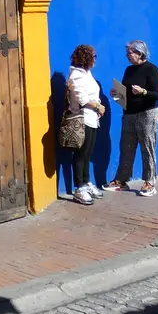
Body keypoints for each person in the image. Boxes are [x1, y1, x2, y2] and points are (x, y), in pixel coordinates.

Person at [103, 40, 158, 197]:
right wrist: (117, 94)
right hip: (129, 113)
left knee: (147, 147)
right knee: (126, 147)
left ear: (140, 53)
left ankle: (149, 182)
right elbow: (126, 93)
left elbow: (157, 94)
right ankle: (121, 180)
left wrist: (143, 92)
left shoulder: (151, 69)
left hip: (147, 113)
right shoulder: (129, 70)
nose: (128, 56)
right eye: (127, 54)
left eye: (130, 53)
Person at [66, 44, 105, 206]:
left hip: (92, 119)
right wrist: (98, 106)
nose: (95, 59)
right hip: (82, 119)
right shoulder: (76, 75)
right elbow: (82, 99)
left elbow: (93, 94)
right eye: (93, 56)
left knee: (88, 153)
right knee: (81, 154)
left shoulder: (87, 74)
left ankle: (86, 182)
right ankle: (79, 187)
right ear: (85, 57)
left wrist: (98, 107)